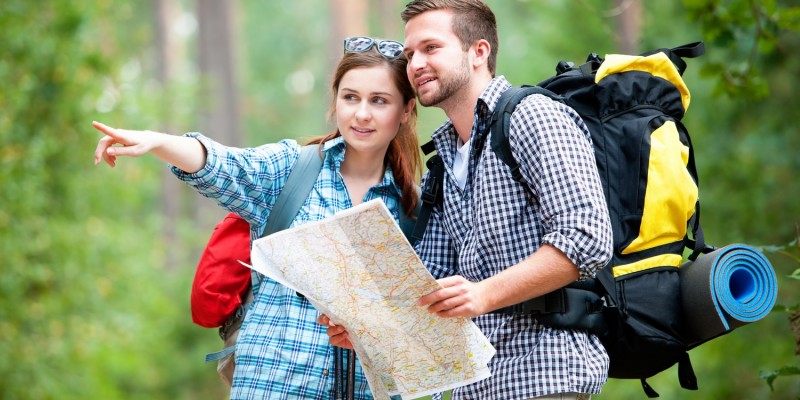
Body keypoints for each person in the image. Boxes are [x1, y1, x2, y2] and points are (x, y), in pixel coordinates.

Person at [93, 37, 421, 400]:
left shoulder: (411, 209)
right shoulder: (291, 169)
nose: (362, 113)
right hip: (271, 386)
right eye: (350, 97)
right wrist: (156, 141)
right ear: (335, 101)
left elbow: (419, 328)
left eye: (379, 100)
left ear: (405, 110)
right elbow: (221, 163)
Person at [320, 1, 613, 399]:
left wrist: (484, 294)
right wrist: (370, 330)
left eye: (430, 48)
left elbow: (587, 238)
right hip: (474, 386)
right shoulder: (442, 163)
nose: (415, 63)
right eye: (409, 54)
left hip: (547, 377)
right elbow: (428, 285)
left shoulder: (534, 117)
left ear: (479, 52)